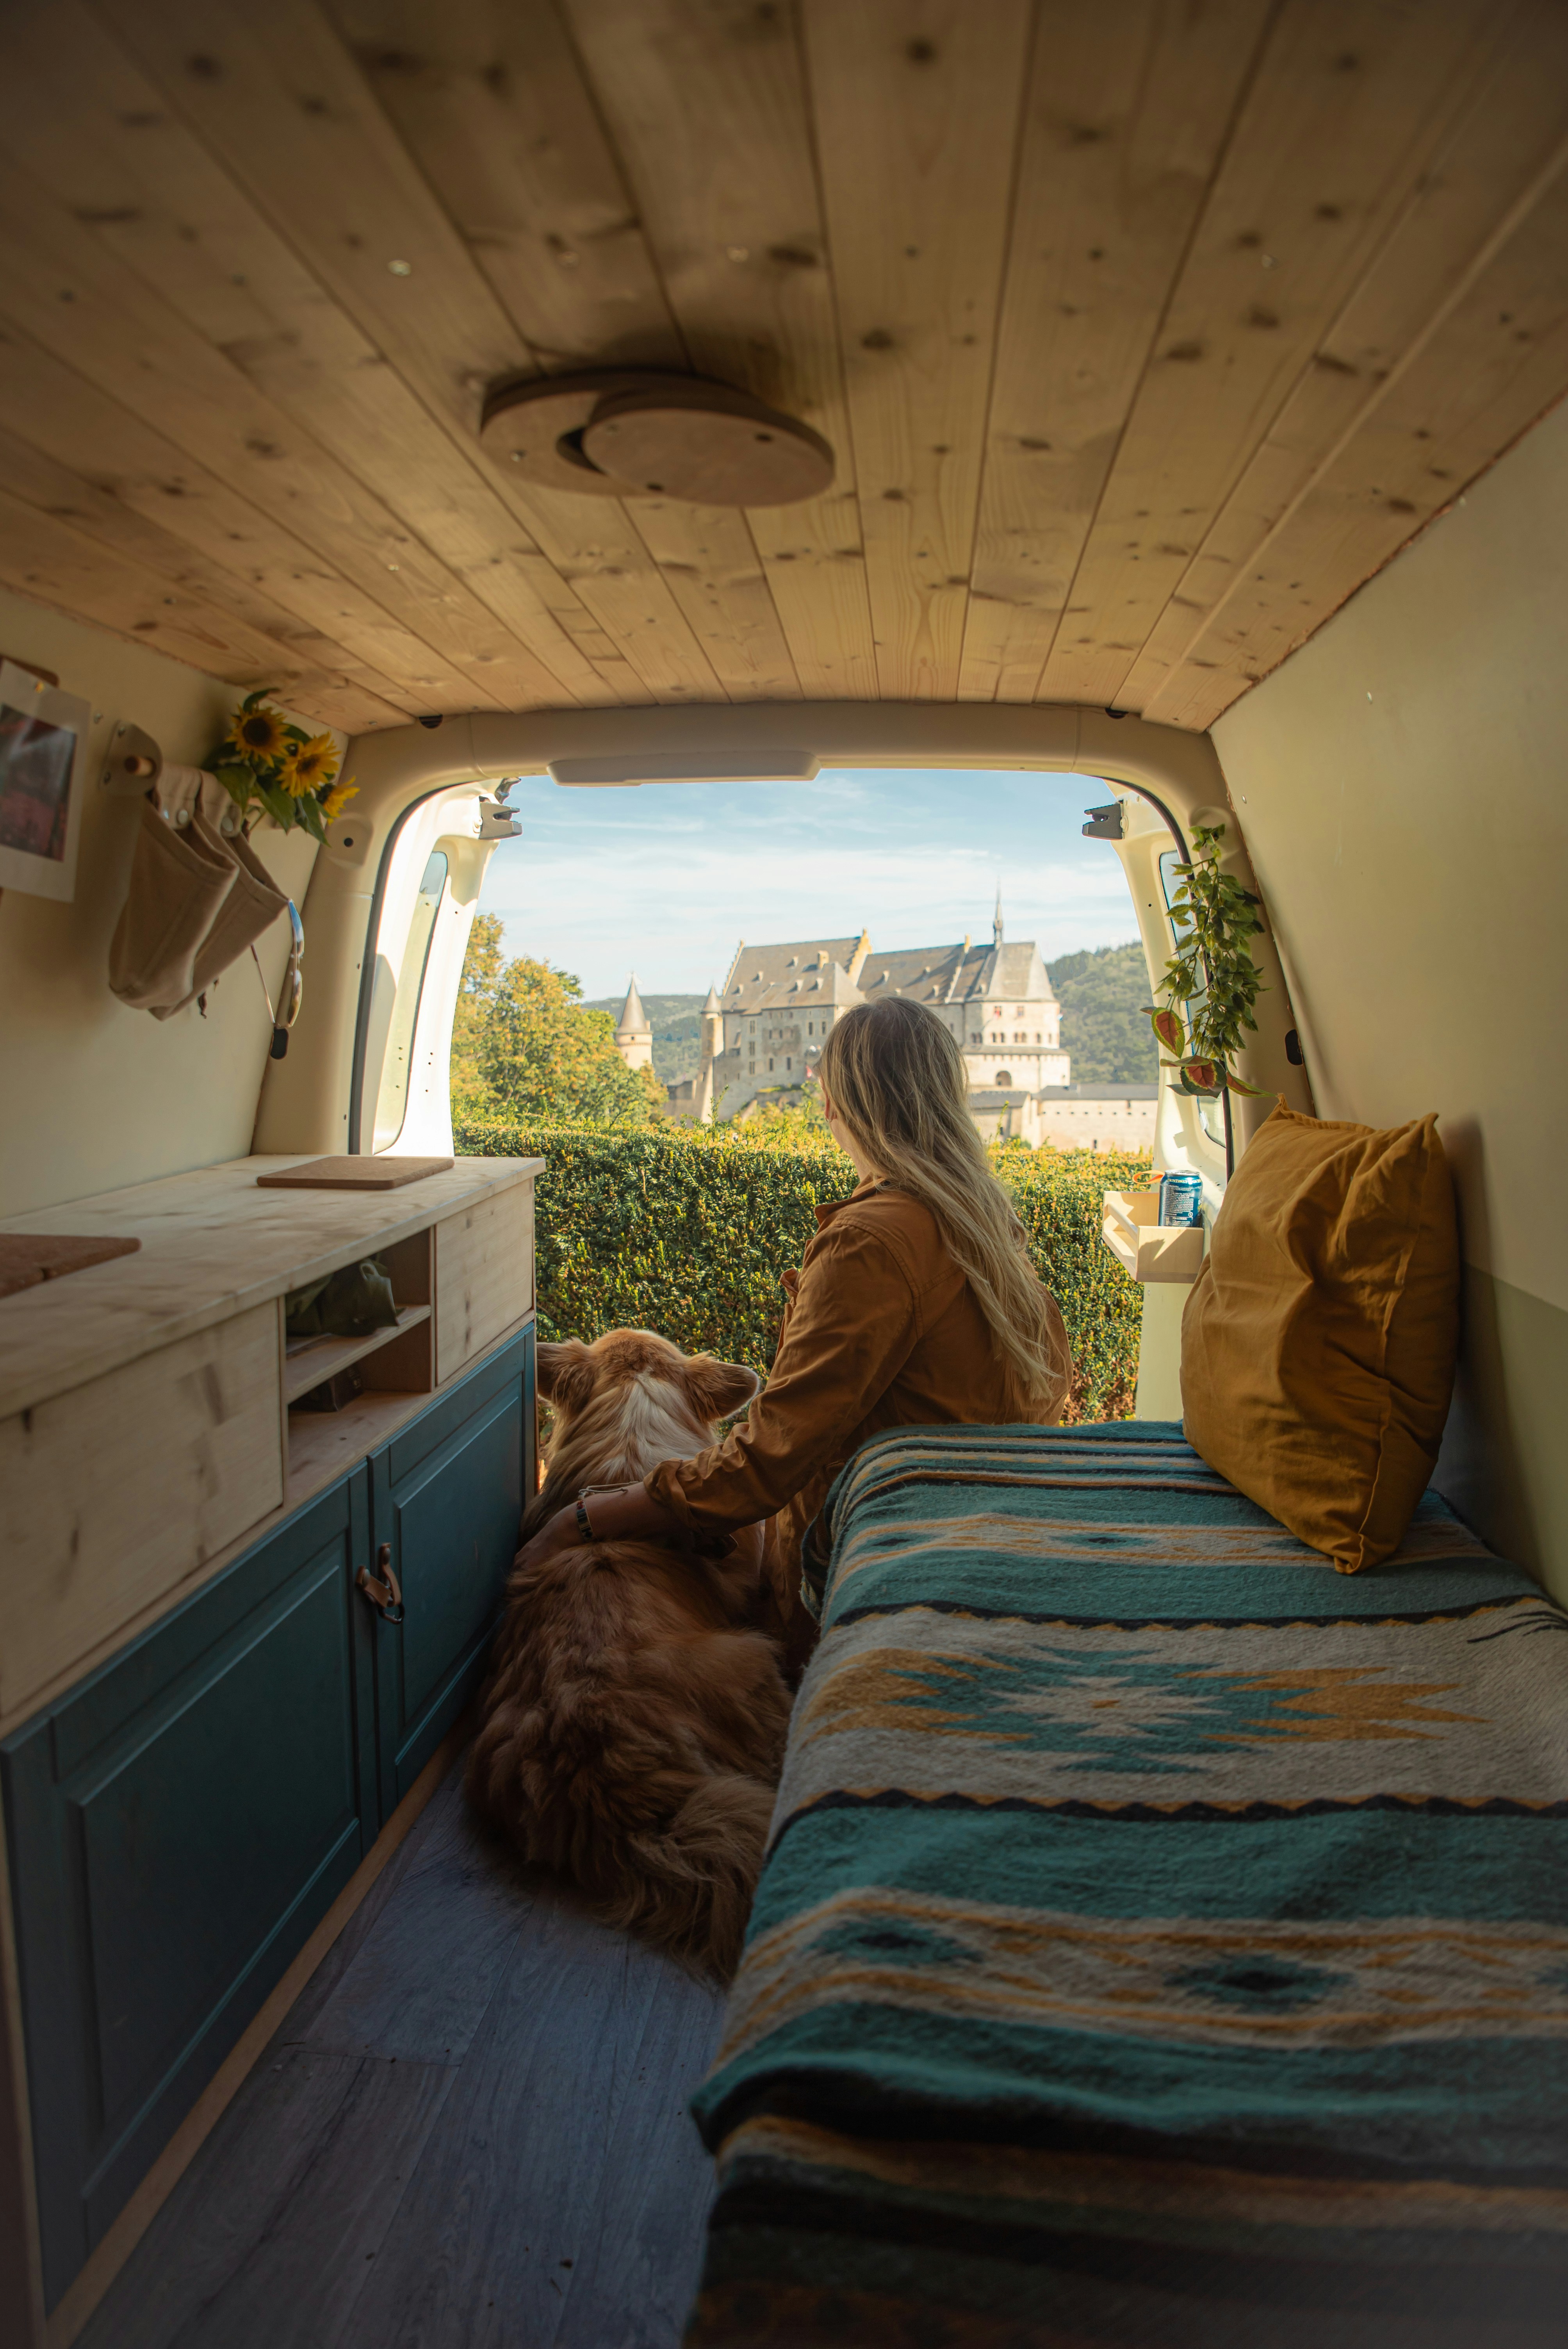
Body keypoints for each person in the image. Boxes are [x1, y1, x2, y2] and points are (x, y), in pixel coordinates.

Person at [515, 994, 1074, 1670]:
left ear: (836, 1103)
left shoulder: (871, 1242)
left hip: (868, 1573)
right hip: (974, 1547)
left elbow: (772, 1458)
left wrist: (583, 1519)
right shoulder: (984, 1223)